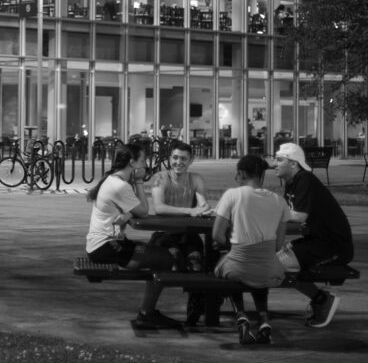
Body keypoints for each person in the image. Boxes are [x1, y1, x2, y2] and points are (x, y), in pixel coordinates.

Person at [86, 142, 179, 329]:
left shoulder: (112, 179)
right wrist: (138, 181)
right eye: (143, 160)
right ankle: (147, 314)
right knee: (165, 259)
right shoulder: (121, 185)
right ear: (132, 162)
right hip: (107, 247)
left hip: (102, 244)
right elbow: (144, 211)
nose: (145, 164)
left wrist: (129, 213)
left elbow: (131, 210)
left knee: (157, 252)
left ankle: (148, 311)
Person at [274, 142, 354, 328]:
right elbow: (290, 217)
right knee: (275, 259)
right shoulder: (292, 183)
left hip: (333, 245)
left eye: (279, 159)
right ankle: (320, 299)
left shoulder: (305, 179)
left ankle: (322, 300)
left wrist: (268, 212)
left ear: (293, 163)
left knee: (274, 264)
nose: (274, 163)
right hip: (317, 241)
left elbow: (299, 215)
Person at [212, 155, 289, 344]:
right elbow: (279, 244)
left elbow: (216, 235)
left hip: (238, 265)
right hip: (270, 269)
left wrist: (233, 246)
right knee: (259, 271)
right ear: (261, 175)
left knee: (233, 267)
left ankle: (241, 314)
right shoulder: (280, 201)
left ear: (241, 173)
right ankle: (263, 321)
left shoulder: (233, 195)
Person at [148, 143, 212, 272]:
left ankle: (196, 291)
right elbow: (159, 208)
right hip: (164, 233)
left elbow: (202, 205)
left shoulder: (196, 179)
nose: (178, 162)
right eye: (175, 158)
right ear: (170, 159)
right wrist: (190, 211)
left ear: (191, 160)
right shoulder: (160, 177)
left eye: (183, 159)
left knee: (197, 263)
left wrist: (204, 207)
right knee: (172, 259)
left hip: (188, 233)